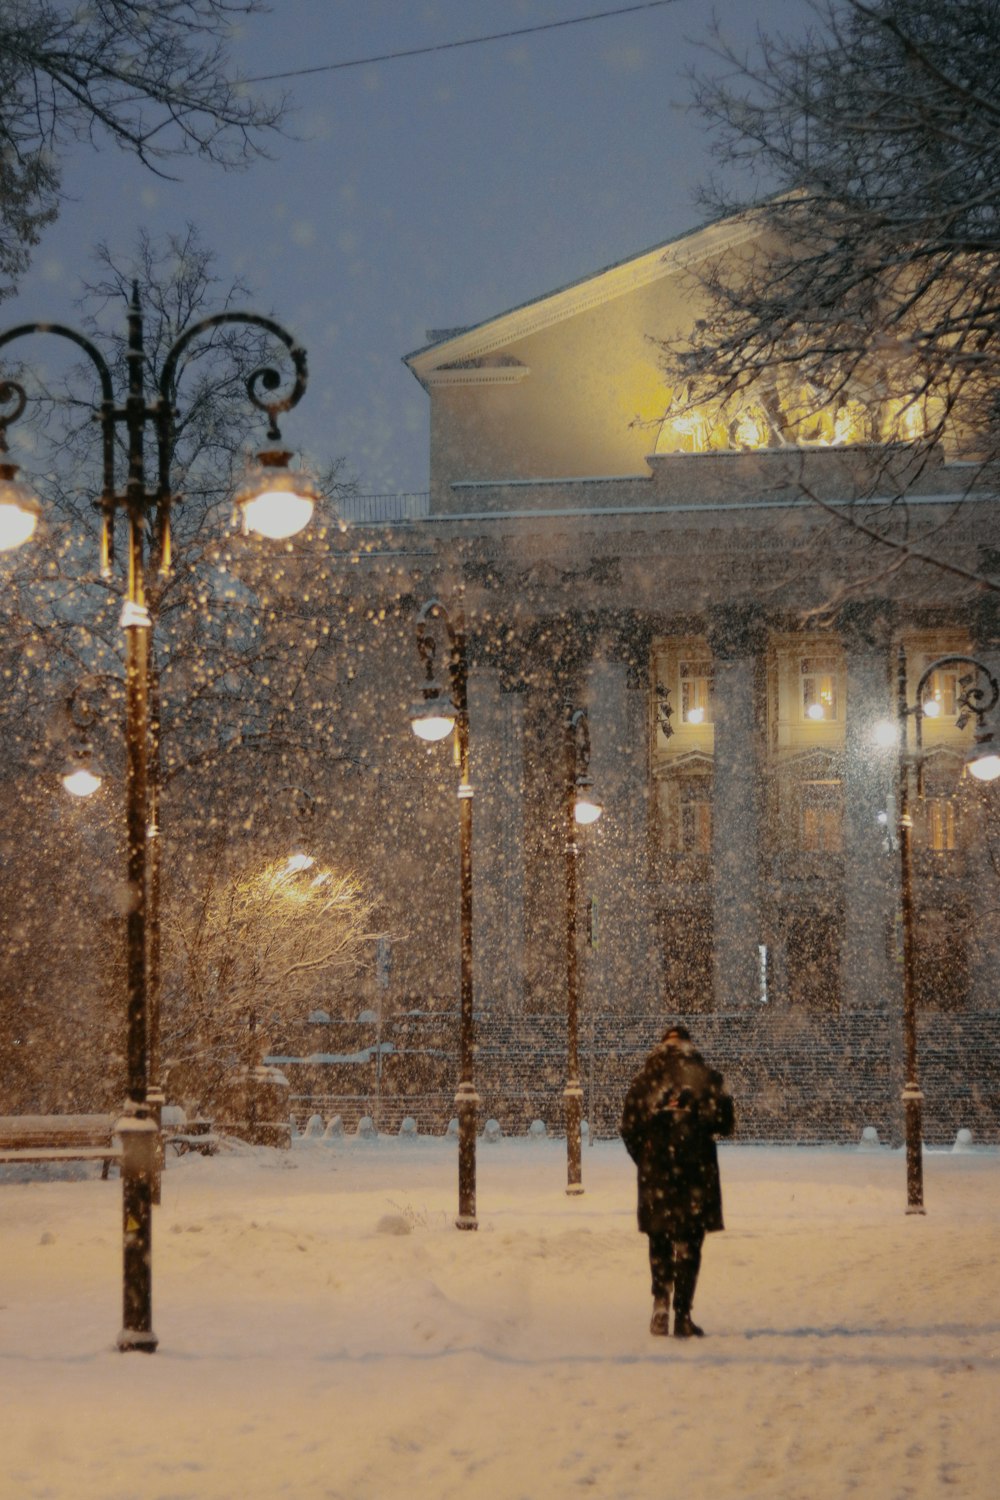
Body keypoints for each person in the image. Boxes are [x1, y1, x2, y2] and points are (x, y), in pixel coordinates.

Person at [620, 1024, 734, 1337]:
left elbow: (629, 1127)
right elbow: (725, 1122)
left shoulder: (645, 1081)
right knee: (689, 1242)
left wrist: (645, 1158)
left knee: (659, 1238)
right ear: (687, 1044)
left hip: (658, 1172)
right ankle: (683, 1314)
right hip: (695, 1173)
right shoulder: (704, 1075)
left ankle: (660, 1301)